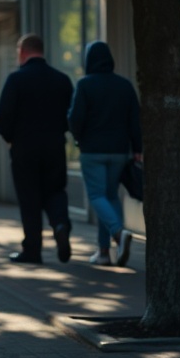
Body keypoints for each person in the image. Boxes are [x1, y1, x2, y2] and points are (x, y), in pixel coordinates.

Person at [0, 33, 74, 265]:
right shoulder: (62, 80)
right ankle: (60, 224)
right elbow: (71, 115)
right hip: (54, 147)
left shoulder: (16, 80)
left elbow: (3, 116)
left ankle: (33, 249)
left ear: (22, 52)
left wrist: (10, 138)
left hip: (24, 149)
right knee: (55, 191)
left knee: (29, 198)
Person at [68, 40, 143, 267]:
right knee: (110, 197)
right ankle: (103, 252)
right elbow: (135, 120)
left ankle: (119, 234)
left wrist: (79, 138)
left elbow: (75, 120)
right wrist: (137, 148)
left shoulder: (85, 85)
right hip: (120, 152)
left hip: (92, 151)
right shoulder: (124, 86)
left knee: (97, 196)